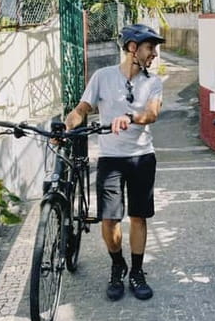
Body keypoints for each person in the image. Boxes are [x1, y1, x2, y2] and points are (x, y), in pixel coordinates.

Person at [64, 23, 165, 301]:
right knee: (109, 219)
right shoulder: (102, 76)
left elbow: (152, 113)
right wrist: (67, 126)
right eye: (150, 48)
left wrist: (130, 117)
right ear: (132, 48)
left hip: (142, 156)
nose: (154, 53)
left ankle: (137, 271)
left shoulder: (153, 82)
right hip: (110, 158)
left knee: (138, 216)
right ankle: (117, 264)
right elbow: (82, 109)